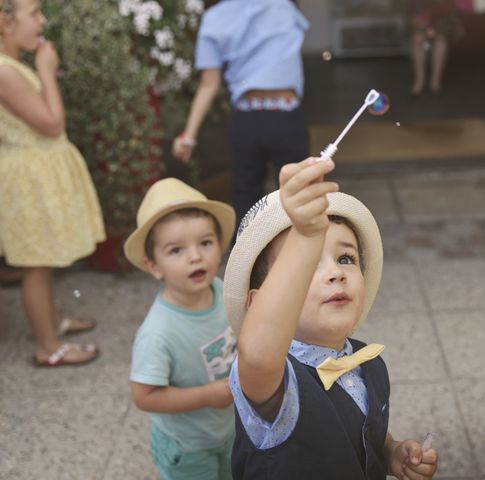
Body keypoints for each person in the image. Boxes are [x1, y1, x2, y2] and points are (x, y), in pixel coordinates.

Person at [223, 157, 439, 479]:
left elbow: (359, 430)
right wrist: (305, 234)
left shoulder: (367, 362)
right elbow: (255, 354)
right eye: (307, 266)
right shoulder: (277, 382)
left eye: (345, 258)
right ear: (258, 304)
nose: (336, 273)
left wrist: (390, 451)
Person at [0, 0, 105, 366]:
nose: (42, 21)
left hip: (36, 171)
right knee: (37, 262)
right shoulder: (5, 71)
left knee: (44, 257)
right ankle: (48, 347)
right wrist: (46, 71)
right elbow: (51, 124)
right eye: (34, 13)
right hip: (29, 176)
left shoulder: (12, 66)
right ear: (4, 22)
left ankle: (51, 321)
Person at [124, 178, 237, 480]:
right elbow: (144, 396)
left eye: (205, 243)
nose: (195, 256)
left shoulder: (220, 289)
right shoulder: (158, 332)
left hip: (229, 427)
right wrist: (207, 395)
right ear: (154, 266)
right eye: (176, 250)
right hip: (187, 446)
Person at [172, 0, 310, 229]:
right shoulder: (284, 7)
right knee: (300, 193)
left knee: (246, 195)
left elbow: (209, 84)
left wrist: (189, 135)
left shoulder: (215, 18)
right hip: (285, 115)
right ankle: (301, 256)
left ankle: (243, 260)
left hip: (247, 118)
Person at [408, 0, 462, 95]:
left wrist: (456, 23)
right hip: (421, 17)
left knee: (440, 40)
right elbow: (413, 7)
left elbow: (451, 8)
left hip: (441, 19)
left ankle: (435, 81)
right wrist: (419, 19)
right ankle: (419, 79)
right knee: (418, 39)